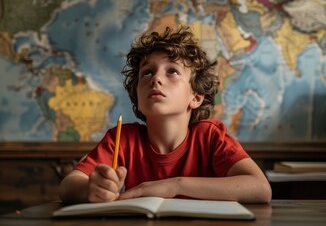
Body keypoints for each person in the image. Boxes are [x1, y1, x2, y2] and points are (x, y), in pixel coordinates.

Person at [59, 26, 272, 204]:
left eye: (172, 71)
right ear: (138, 98)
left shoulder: (211, 137)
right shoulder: (122, 138)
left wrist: (174, 185)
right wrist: (91, 189)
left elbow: (260, 189)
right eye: (147, 72)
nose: (156, 79)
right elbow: (69, 185)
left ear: (195, 97)